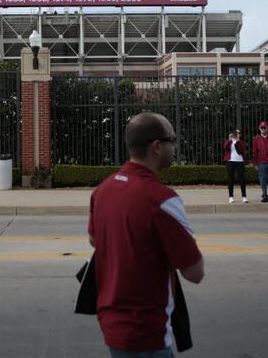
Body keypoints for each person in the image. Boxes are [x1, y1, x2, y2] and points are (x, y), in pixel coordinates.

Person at [88, 112, 204, 357]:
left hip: (112, 326)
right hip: (147, 335)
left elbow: (94, 240)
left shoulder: (103, 190)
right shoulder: (162, 199)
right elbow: (194, 272)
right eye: (172, 140)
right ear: (157, 146)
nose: (175, 146)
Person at [222, 129, 248, 204]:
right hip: (230, 161)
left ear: (240, 135)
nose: (237, 134)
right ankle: (231, 197)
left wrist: (237, 141)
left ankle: (244, 197)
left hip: (240, 161)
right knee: (230, 179)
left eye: (238, 133)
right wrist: (229, 140)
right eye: (235, 133)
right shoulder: (230, 141)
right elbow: (225, 147)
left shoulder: (242, 142)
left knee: (242, 179)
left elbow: (242, 149)